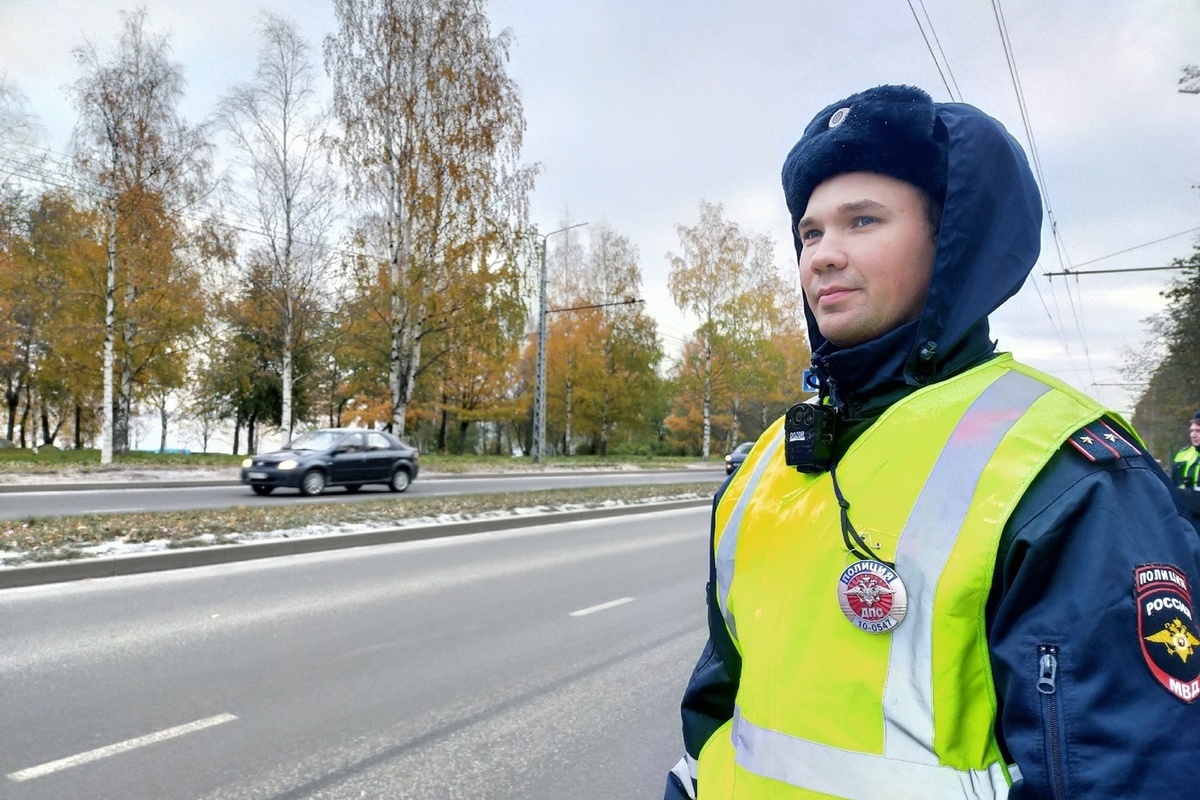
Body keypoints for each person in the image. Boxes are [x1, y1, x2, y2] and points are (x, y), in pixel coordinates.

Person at [664, 85, 1200, 800]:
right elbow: (718, 715)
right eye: (811, 233)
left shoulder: (1068, 471)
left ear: (949, 240)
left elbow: (1127, 770)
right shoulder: (767, 464)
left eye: (862, 221)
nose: (824, 255)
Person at [1172, 411, 1200, 519]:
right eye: (1192, 431)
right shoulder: (1182, 454)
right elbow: (1172, 484)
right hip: (1183, 517)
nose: (1193, 435)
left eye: (1198, 431)